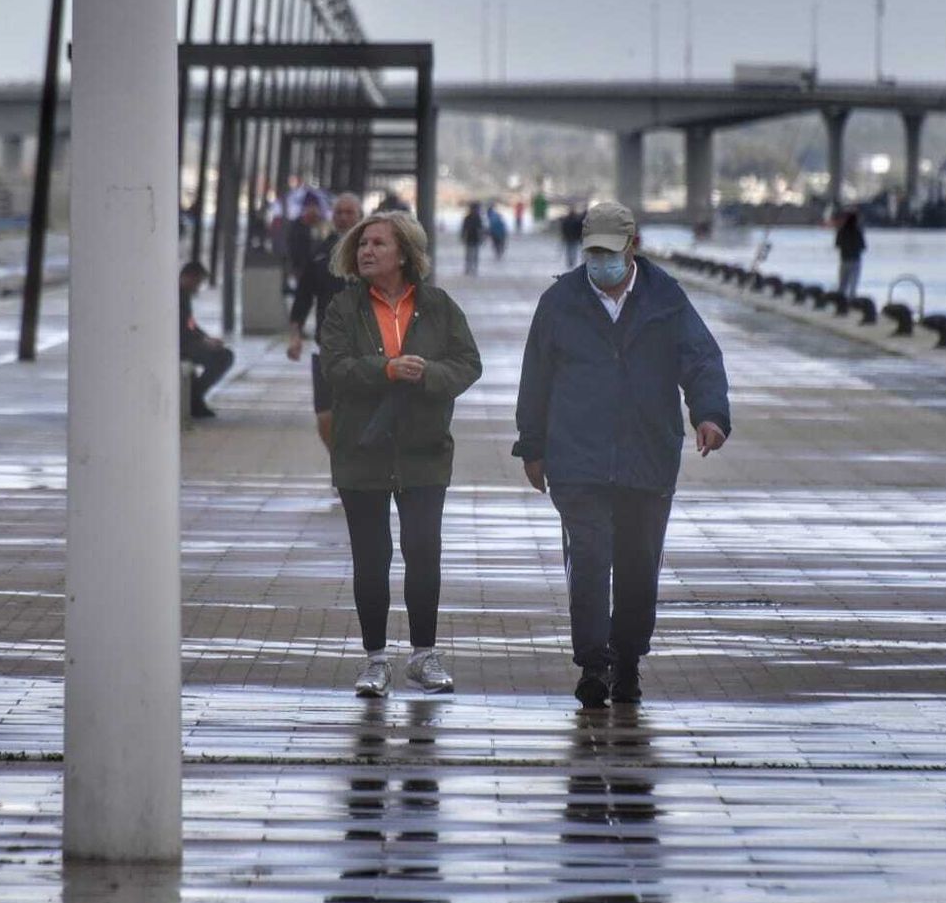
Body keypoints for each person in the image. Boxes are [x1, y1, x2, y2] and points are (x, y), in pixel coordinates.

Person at [513, 201, 730, 708]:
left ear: (633, 247)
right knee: (589, 559)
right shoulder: (560, 301)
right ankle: (593, 664)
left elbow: (700, 360)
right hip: (577, 459)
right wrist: (532, 446)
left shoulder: (666, 299)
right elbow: (535, 379)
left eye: (610, 252)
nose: (600, 261)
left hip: (646, 456)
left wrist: (711, 416)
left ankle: (628, 660)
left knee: (637, 564)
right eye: (592, 251)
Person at [321, 210, 483, 697]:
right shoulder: (342, 309)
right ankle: (375, 660)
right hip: (361, 451)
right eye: (362, 244)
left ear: (405, 253)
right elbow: (335, 367)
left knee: (423, 552)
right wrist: (386, 370)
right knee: (371, 558)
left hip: (424, 451)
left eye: (378, 244)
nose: (367, 251)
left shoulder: (438, 306)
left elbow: (467, 363)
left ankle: (423, 655)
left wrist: (427, 375)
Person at [289, 191, 361, 448]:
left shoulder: (372, 252)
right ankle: (339, 459)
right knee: (325, 416)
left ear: (360, 216)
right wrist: (295, 335)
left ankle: (354, 467)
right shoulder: (320, 253)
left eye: (349, 212)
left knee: (359, 415)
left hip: (364, 348)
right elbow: (303, 297)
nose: (343, 217)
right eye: (339, 212)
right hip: (327, 346)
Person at [179, 261, 235, 419]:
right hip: (181, 345)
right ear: (188, 277)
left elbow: (189, 324)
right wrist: (204, 341)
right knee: (222, 358)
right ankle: (194, 398)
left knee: (223, 354)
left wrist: (206, 338)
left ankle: (194, 398)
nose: (198, 287)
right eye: (198, 282)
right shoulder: (177, 296)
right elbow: (182, 329)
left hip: (187, 342)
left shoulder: (183, 295)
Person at [286, 190, 327, 285]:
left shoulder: (322, 225)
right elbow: (293, 248)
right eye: (310, 206)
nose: (312, 209)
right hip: (301, 269)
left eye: (315, 206)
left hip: (320, 270)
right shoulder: (297, 226)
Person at [834, 208, 866, 299]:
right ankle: (852, 301)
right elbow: (863, 246)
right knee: (853, 284)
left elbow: (837, 245)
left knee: (842, 284)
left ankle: (840, 302)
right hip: (855, 260)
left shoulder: (841, 231)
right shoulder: (858, 232)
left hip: (844, 259)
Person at [460, 201, 484, 277]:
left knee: (474, 255)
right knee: (469, 255)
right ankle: (468, 268)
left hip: (475, 239)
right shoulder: (468, 218)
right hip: (469, 238)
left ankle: (473, 268)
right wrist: (463, 236)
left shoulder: (478, 218)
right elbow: (464, 229)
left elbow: (481, 230)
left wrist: (481, 238)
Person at [559, 203, 585, 269]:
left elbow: (564, 228)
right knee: (573, 250)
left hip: (569, 237)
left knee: (569, 250)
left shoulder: (566, 220)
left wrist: (564, 235)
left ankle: (570, 261)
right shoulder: (577, 220)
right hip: (575, 237)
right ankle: (572, 261)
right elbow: (579, 229)